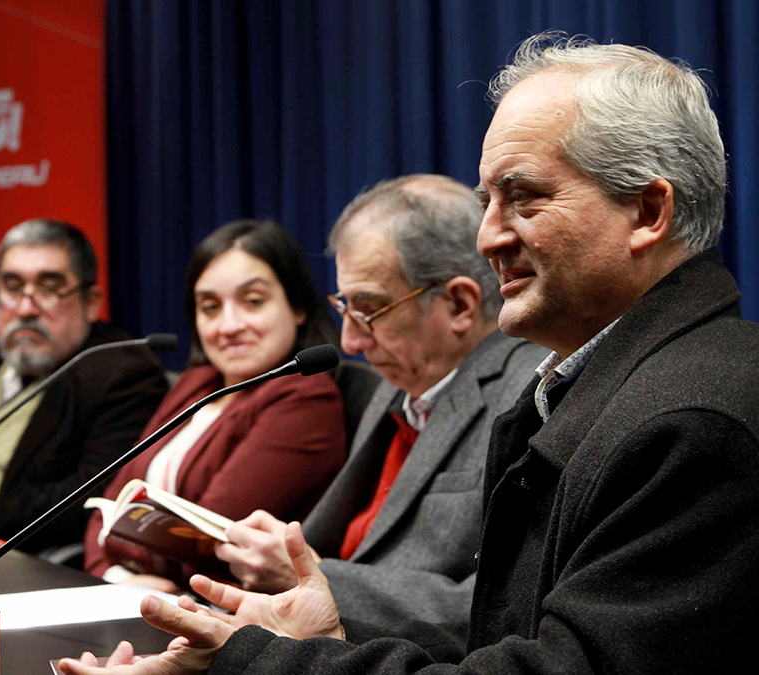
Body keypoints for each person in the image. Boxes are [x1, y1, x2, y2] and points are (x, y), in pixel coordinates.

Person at [57, 33, 759, 675]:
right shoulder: (596, 385)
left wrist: (260, 664)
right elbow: (515, 630)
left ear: (647, 212)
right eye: (488, 200)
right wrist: (326, 625)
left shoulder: (694, 421)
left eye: (522, 198)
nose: (488, 238)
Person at [214, 176, 547, 635]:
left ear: (459, 303)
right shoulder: (397, 383)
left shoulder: (529, 397)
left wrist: (315, 578)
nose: (349, 340)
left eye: (369, 310)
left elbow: (502, 601)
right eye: (345, 307)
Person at [83, 219, 347, 592]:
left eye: (253, 302)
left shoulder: (306, 400)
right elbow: (106, 507)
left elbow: (202, 542)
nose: (228, 325)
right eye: (210, 307)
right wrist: (112, 577)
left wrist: (126, 566)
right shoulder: (197, 384)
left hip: (220, 615)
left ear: (298, 306)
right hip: (131, 597)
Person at [0, 219, 169, 552]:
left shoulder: (123, 373)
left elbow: (88, 497)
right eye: (12, 286)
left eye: (49, 288)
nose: (25, 308)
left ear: (91, 302)